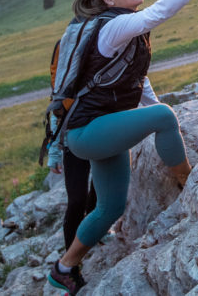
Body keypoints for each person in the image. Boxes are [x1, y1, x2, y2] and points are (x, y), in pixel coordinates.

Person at [48, 0, 198, 295]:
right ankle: (189, 183)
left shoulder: (128, 29)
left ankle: (64, 267)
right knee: (163, 117)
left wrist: (160, 110)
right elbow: (158, 13)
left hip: (102, 129)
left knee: (110, 208)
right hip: (87, 132)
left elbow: (137, 82)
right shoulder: (112, 26)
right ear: (108, 0)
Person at [46, 75, 161, 251]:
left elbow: (141, 80)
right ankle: (71, 262)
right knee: (77, 200)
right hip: (74, 135)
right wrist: (53, 152)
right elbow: (58, 105)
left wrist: (159, 113)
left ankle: (97, 229)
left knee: (101, 188)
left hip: (102, 132)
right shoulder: (77, 62)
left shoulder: (116, 58)